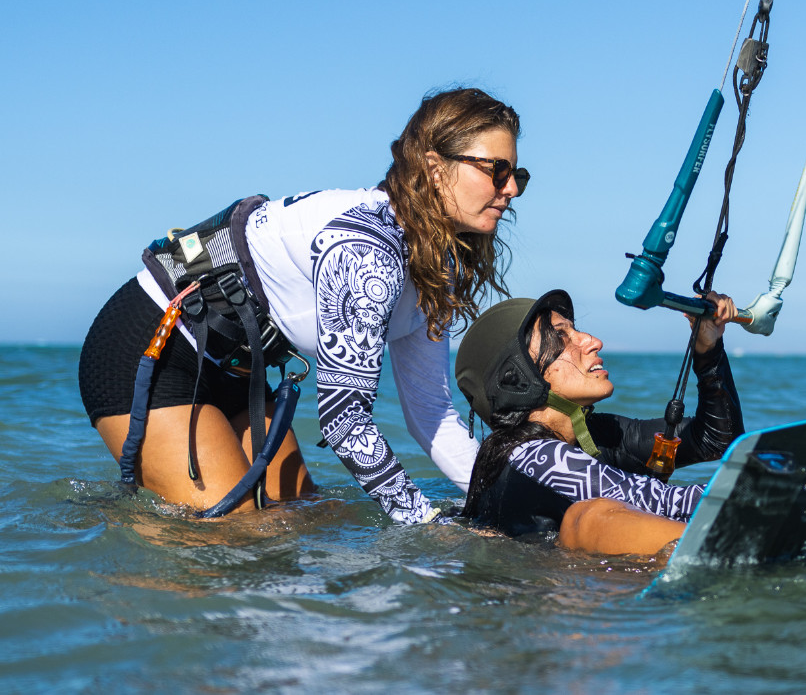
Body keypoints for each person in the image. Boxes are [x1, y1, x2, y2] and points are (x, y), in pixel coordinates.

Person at [79, 87, 528, 522]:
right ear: (434, 167)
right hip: (152, 346)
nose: (510, 190)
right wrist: (423, 521)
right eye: (497, 170)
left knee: (307, 520)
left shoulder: (435, 269)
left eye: (518, 176)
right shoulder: (366, 250)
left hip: (235, 366)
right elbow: (343, 417)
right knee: (239, 534)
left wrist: (515, 505)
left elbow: (432, 414)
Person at [454, 288, 744, 555]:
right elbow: (665, 504)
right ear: (516, 378)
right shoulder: (534, 456)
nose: (593, 341)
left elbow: (715, 441)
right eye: (562, 335)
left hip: (584, 588)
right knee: (594, 518)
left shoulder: (592, 436)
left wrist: (709, 350)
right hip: (545, 601)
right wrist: (765, 493)